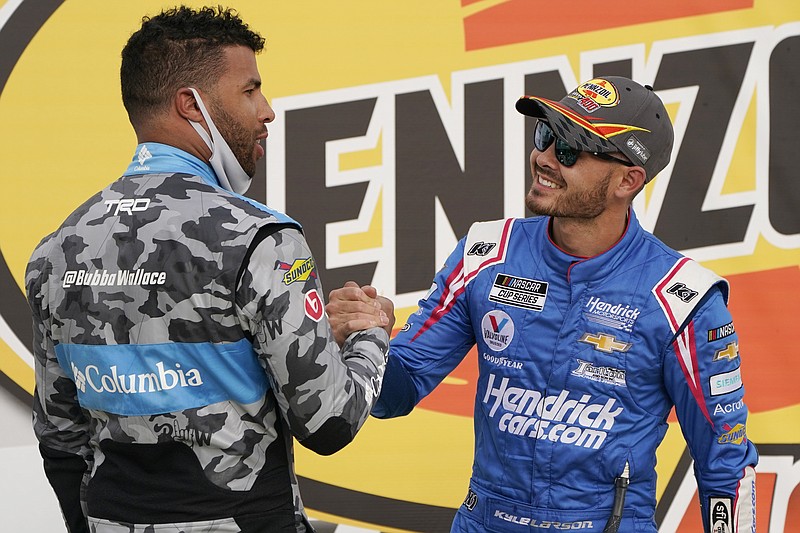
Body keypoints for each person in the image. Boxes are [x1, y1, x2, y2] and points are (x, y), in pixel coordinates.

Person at [328, 76, 758, 532]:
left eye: (571, 149)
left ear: (627, 180)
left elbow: (725, 465)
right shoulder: (486, 254)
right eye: (545, 135)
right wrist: (366, 339)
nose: (545, 157)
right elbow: (397, 390)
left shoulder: (682, 299)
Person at [25, 6, 391, 533]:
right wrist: (370, 335)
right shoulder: (263, 237)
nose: (267, 111)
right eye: (250, 90)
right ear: (190, 105)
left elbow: (60, 438)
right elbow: (327, 420)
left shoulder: (56, 249)